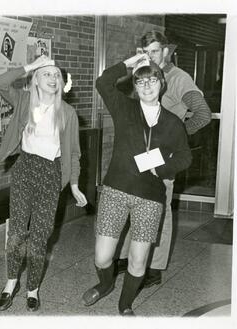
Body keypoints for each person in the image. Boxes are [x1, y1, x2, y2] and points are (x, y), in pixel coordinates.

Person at [82, 53, 192, 315]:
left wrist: (163, 167)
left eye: (152, 80)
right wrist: (129, 64)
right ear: (134, 85)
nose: (146, 86)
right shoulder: (124, 108)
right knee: (102, 257)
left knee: (139, 260)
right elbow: (103, 82)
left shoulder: (173, 122)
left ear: (161, 84)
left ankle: (125, 303)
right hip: (115, 190)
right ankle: (106, 283)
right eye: (140, 81)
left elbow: (186, 156)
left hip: (150, 197)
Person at [115, 30, 212, 288]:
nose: (149, 57)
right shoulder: (143, 76)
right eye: (145, 52)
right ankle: (126, 258)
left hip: (160, 158)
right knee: (133, 204)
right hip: (138, 156)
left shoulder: (178, 78)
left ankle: (155, 267)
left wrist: (174, 141)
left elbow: (202, 114)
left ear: (167, 51)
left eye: (155, 51)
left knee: (160, 210)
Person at [0, 55, 87, 312]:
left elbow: (75, 153)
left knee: (40, 238)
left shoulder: (67, 112)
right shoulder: (24, 101)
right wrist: (31, 65)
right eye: (47, 74)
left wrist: (75, 185)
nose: (53, 78)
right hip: (25, 168)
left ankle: (32, 288)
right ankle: (11, 282)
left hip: (51, 172)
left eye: (56, 75)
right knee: (16, 235)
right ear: (36, 79)